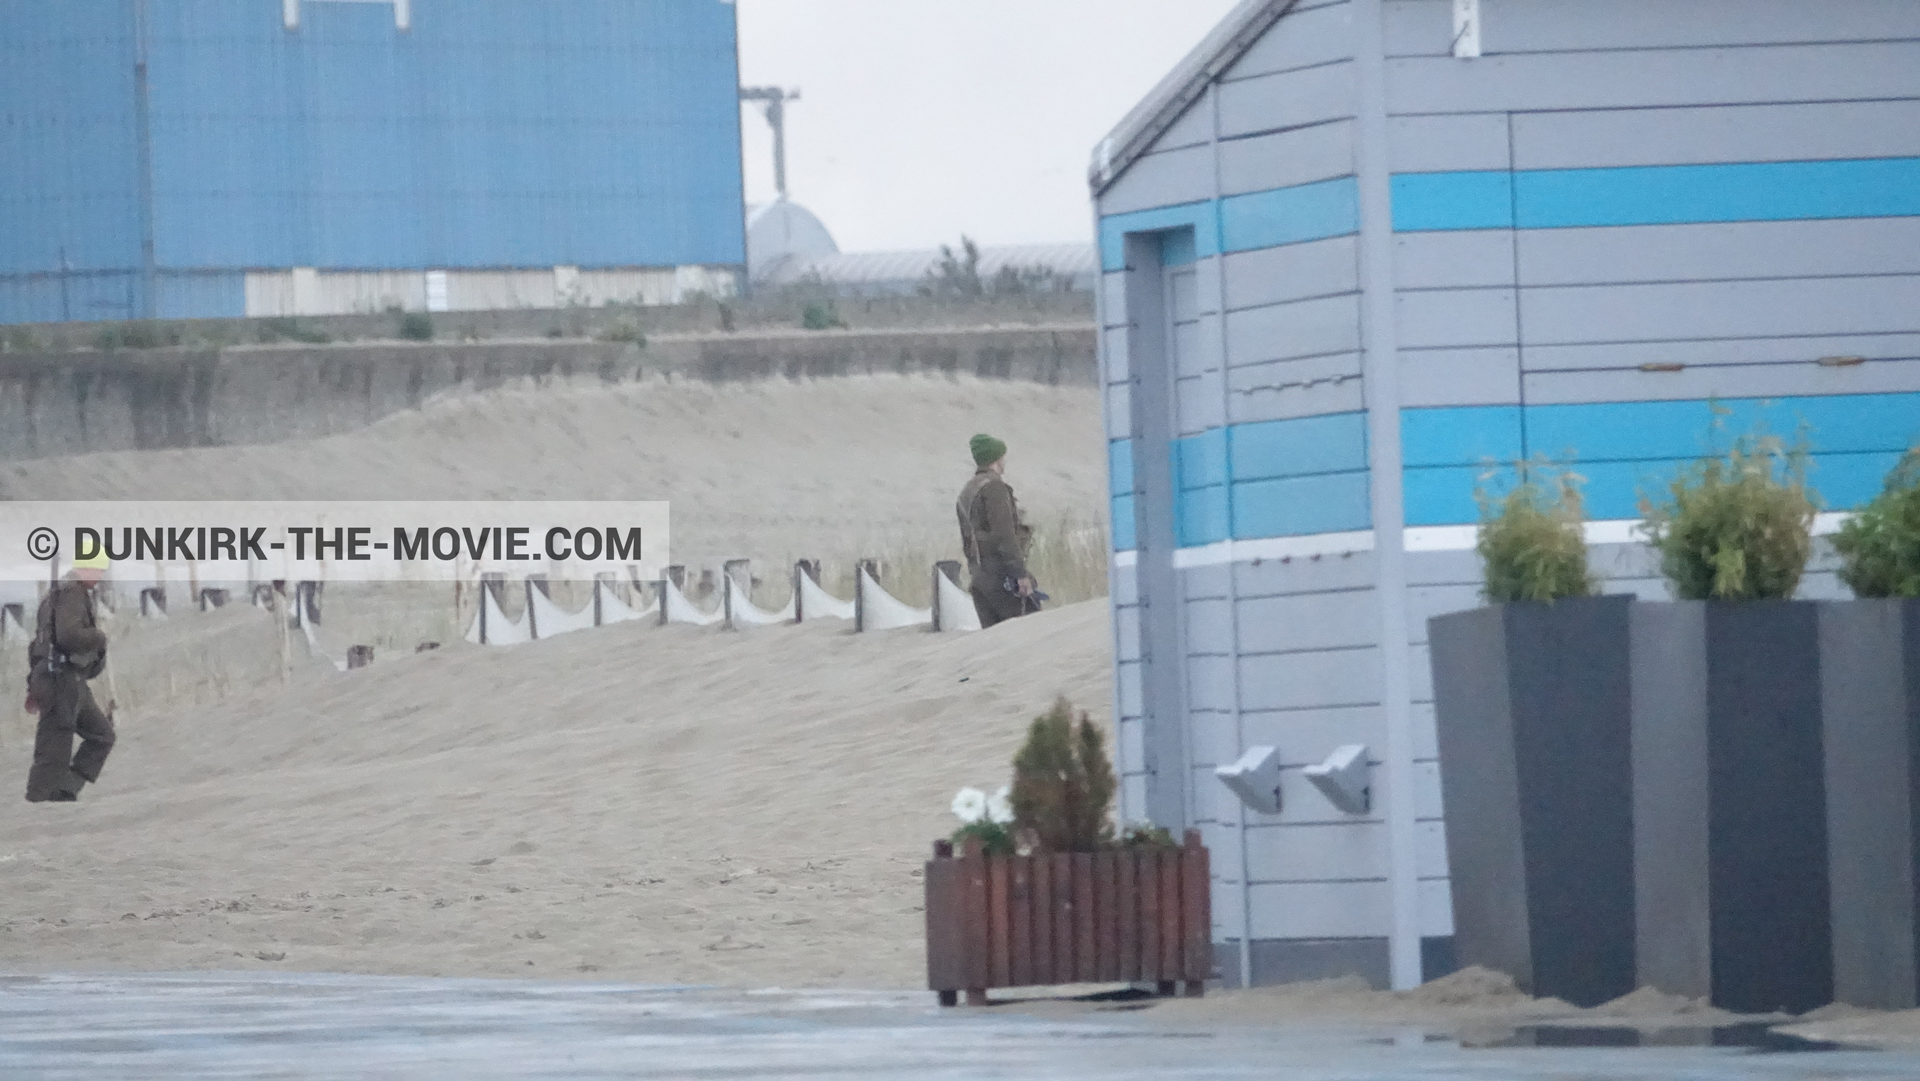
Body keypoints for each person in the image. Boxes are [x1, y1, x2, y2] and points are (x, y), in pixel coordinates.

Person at [23, 551, 115, 803]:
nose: (99, 576)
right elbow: (69, 636)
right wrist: (99, 636)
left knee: (102, 735)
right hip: (60, 678)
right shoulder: (71, 594)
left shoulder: (59, 594)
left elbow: (39, 643)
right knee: (55, 742)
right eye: (97, 570)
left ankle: (65, 790)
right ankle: (40, 800)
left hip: (66, 678)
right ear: (85, 568)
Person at [956, 433, 1037, 628]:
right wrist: (1020, 575)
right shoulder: (995, 488)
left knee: (993, 642)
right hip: (1002, 578)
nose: (1004, 461)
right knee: (1030, 630)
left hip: (979, 580)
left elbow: (969, 542)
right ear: (996, 459)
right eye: (1002, 456)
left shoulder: (966, 492)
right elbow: (1004, 535)